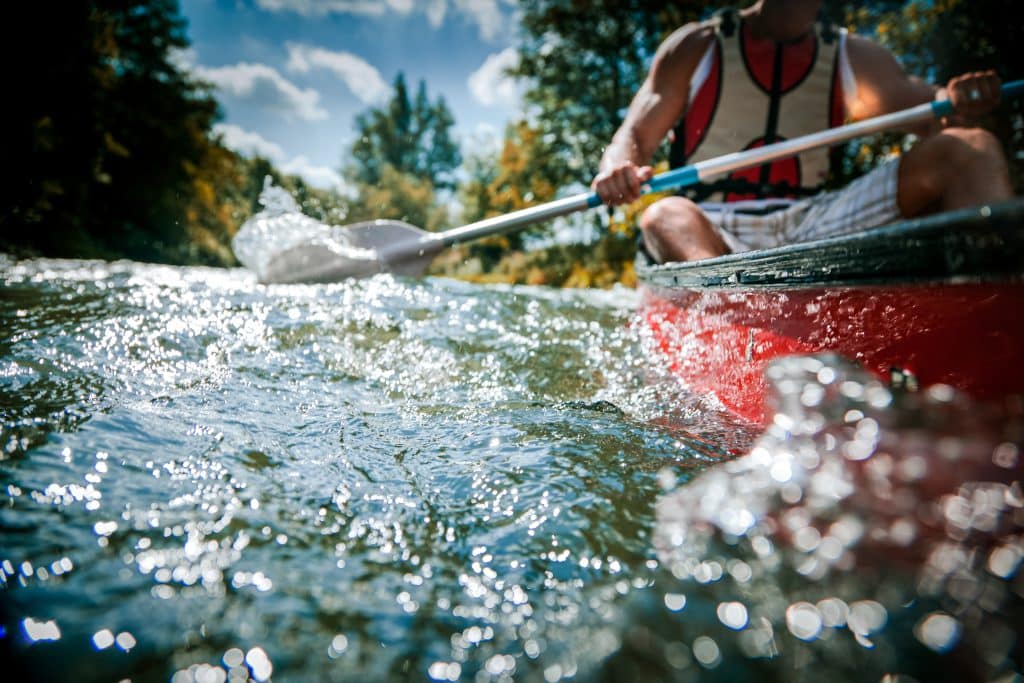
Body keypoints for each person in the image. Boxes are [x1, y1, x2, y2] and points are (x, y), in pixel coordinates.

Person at [591, 0, 1013, 264]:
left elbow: (936, 115)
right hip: (712, 225)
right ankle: (729, 321)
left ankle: (995, 303)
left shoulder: (853, 55)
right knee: (663, 215)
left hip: (816, 221)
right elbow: (635, 137)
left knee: (970, 149)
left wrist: (960, 100)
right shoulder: (696, 47)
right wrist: (617, 168)